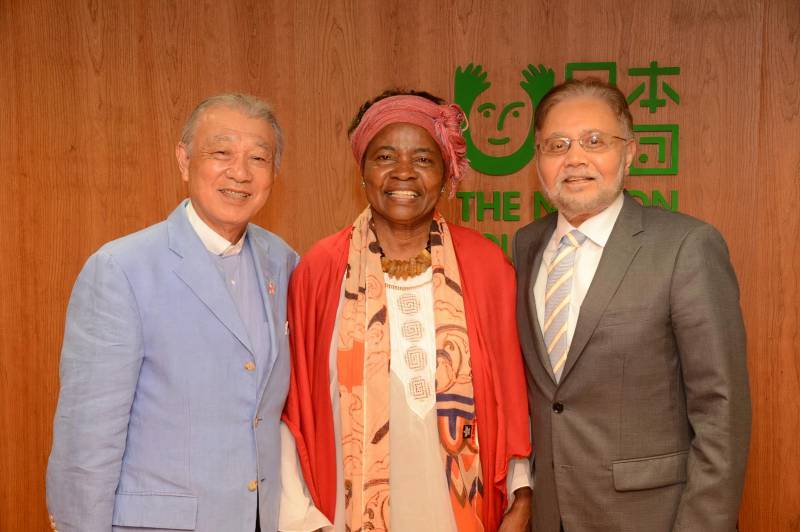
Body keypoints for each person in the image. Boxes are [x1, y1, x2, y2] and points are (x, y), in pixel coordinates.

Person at [279, 90, 532, 532]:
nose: (402, 173)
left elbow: (512, 394)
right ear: (362, 170)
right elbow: (293, 407)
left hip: (461, 512)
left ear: (446, 172)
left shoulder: (485, 264)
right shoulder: (320, 270)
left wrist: (520, 493)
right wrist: (303, 519)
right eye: (384, 157)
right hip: (344, 513)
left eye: (423, 159)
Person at [46, 93, 298, 532]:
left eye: (259, 157)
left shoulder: (284, 261)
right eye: (221, 152)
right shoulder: (122, 269)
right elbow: (87, 442)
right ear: (184, 160)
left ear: (274, 173)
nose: (240, 172)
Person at [513, 78, 751, 532]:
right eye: (557, 144)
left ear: (629, 153)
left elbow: (722, 413)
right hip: (551, 515)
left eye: (595, 141)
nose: (575, 158)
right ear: (538, 160)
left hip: (653, 518)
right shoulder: (526, 246)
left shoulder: (685, 246)